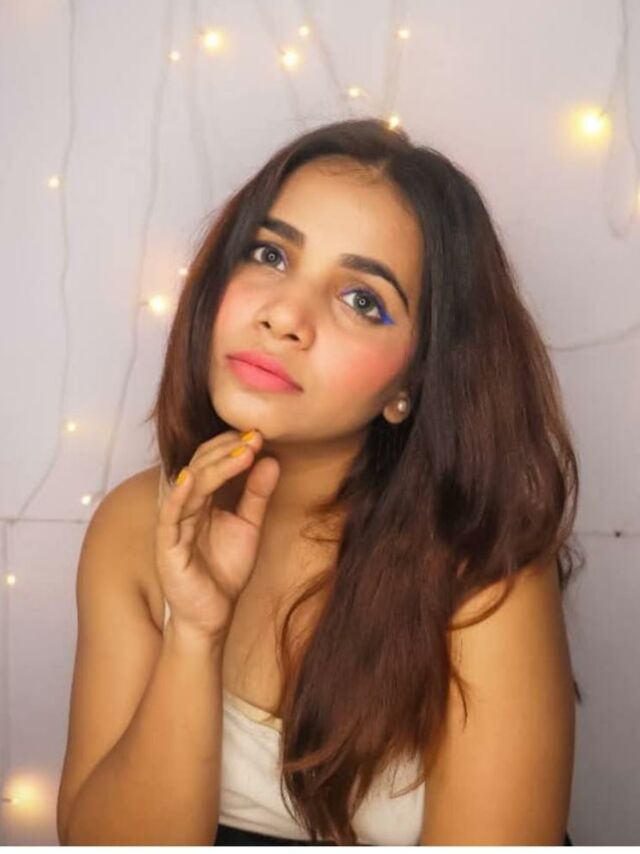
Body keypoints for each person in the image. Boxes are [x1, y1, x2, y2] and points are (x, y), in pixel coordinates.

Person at [58, 118, 581, 845]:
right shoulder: (135, 522)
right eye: (270, 255)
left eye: (362, 299)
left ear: (411, 382)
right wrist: (195, 637)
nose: (284, 316)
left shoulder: (481, 567)